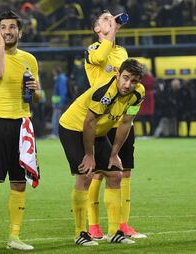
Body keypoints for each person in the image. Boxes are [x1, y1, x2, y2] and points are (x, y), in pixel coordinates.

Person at [0, 10, 42, 252]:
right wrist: (0, 47)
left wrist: (35, 90)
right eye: (3, 27)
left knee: (19, 183)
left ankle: (15, 237)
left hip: (23, 125)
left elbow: (38, 95)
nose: (8, 31)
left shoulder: (30, 59)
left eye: (12, 27)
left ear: (20, 31)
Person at [59, 59, 145, 246]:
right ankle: (80, 233)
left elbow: (125, 123)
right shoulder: (105, 93)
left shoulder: (138, 94)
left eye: (133, 81)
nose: (128, 84)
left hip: (97, 131)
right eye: (125, 78)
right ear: (118, 75)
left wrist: (114, 153)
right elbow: (88, 123)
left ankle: (115, 232)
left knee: (115, 174)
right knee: (85, 175)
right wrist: (89, 156)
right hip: (73, 128)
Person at [85, 10, 146, 240]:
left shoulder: (121, 51)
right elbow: (101, 59)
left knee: (124, 170)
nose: (110, 20)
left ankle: (123, 224)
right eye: (104, 19)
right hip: (100, 119)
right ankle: (93, 225)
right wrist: (112, 31)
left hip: (120, 119)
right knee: (99, 173)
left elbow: (128, 82)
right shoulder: (92, 50)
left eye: (112, 18)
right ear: (97, 29)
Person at [50, 66, 69, 138]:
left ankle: (56, 133)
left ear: (55, 72)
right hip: (57, 103)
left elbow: (63, 92)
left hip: (59, 104)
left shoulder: (61, 79)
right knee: (56, 118)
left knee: (56, 118)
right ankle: (55, 133)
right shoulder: (59, 78)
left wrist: (61, 103)